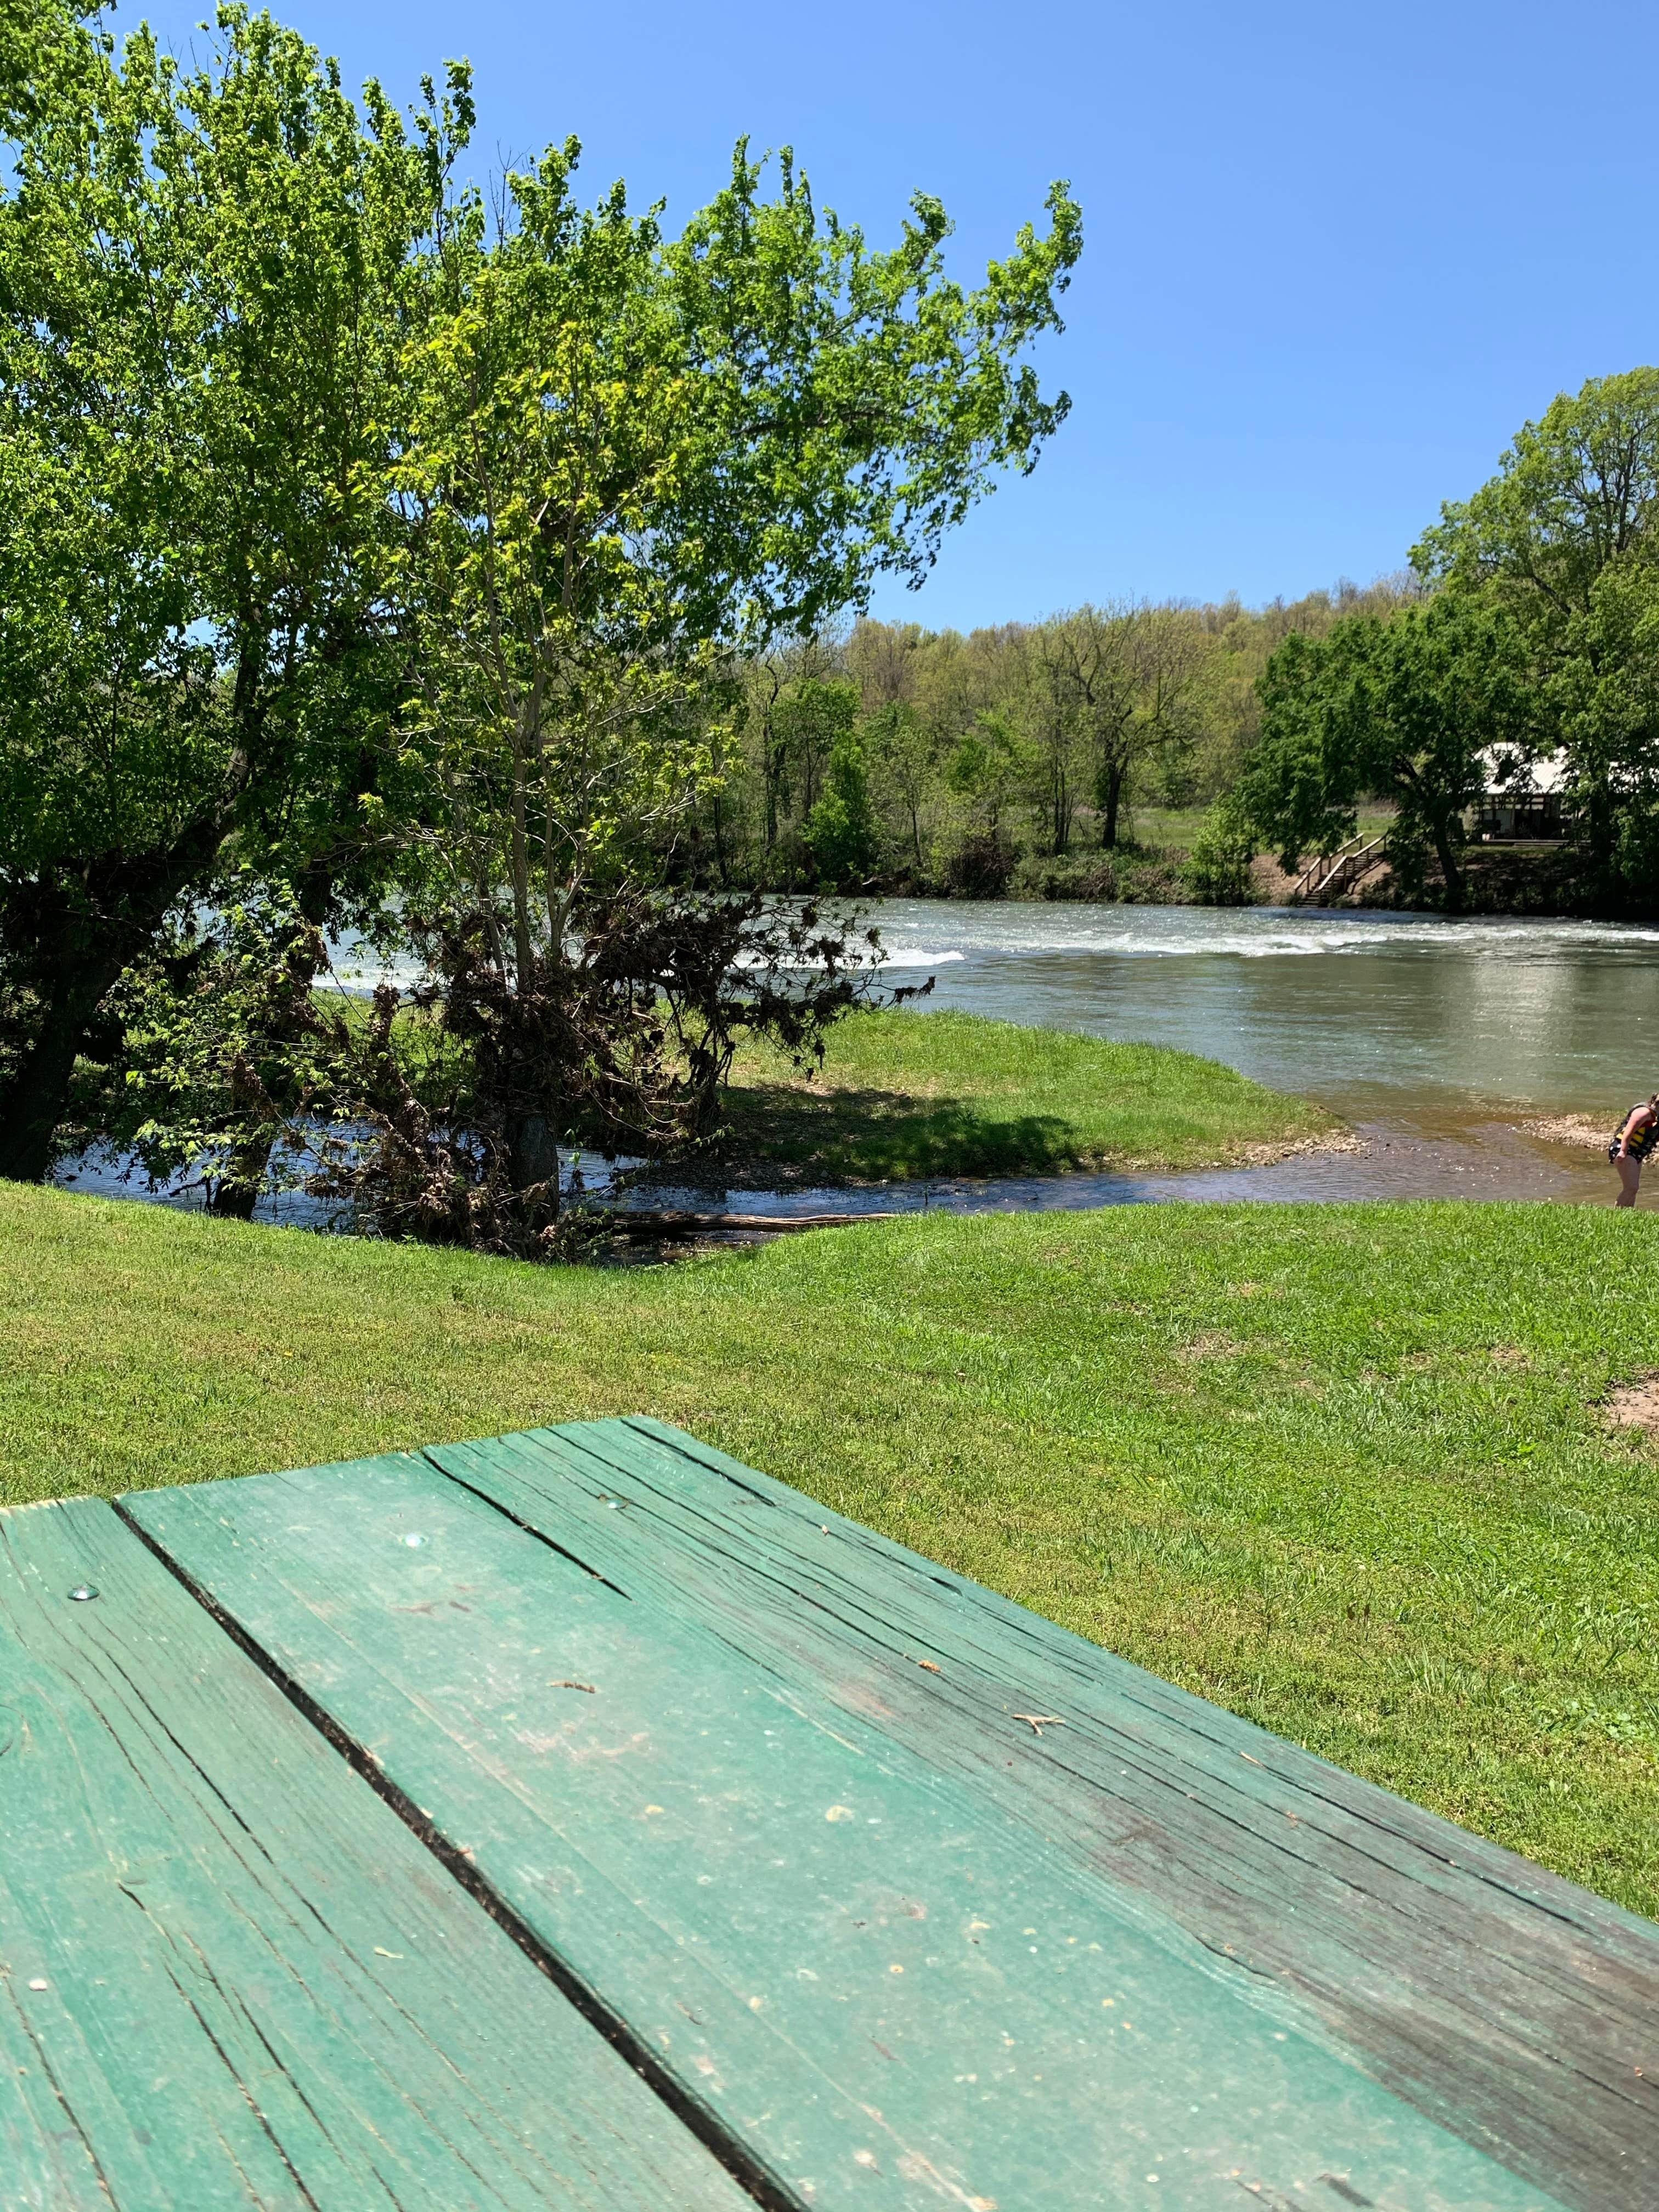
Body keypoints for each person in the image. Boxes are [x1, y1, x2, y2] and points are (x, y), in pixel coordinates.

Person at [1609, 1094, 1659, 1206]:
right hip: (1625, 1149)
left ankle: (1628, 1215)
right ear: (1654, 1101)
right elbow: (1629, 1131)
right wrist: (1623, 1151)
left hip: (1637, 1153)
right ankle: (1616, 1216)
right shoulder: (1644, 1112)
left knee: (1633, 1189)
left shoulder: (1656, 1118)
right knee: (1632, 1187)